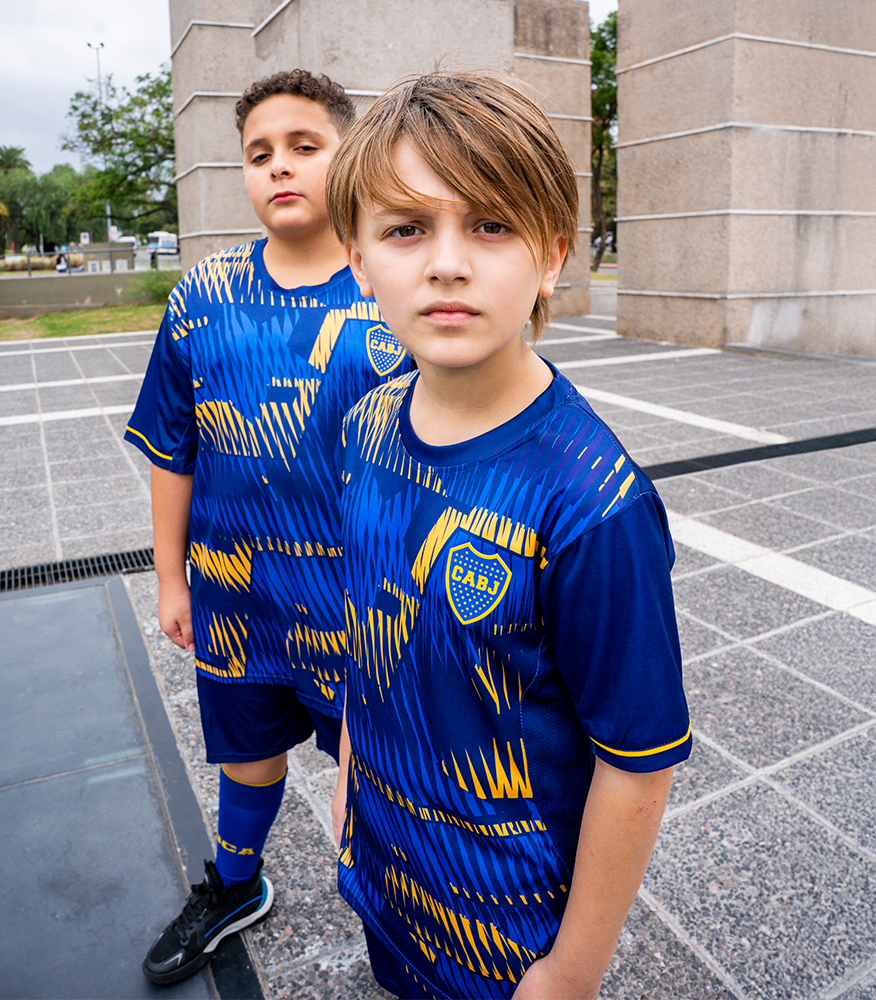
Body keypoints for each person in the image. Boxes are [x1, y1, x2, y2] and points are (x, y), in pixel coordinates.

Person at [326, 72, 692, 1000]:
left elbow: (637, 763)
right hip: (387, 874)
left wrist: (572, 970)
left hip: (510, 936)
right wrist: (353, 773)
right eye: (406, 228)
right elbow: (371, 623)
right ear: (360, 261)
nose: (447, 263)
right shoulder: (364, 424)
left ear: (552, 255)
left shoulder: (592, 505)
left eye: (491, 225)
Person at [124, 68, 406, 986]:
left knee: (375, 777)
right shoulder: (202, 296)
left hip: (364, 607)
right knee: (245, 757)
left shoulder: (391, 290)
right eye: (258, 154)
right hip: (236, 593)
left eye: (303, 146)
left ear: (348, 156)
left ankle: (399, 915)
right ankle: (237, 886)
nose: (278, 167)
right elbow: (174, 449)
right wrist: (172, 579)